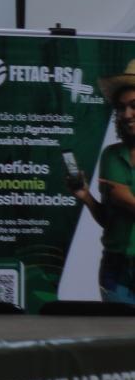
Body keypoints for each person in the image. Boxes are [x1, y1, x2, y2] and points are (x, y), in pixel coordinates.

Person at [71, 63, 135, 304]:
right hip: (115, 267)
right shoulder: (111, 155)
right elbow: (110, 220)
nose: (126, 115)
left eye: (134, 106)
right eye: (121, 108)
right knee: (116, 328)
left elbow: (123, 200)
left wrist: (124, 198)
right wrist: (87, 197)